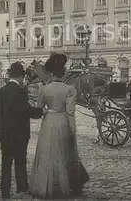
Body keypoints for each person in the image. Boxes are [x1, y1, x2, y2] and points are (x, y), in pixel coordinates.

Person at [29, 53, 89, 199]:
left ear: (51, 72)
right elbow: (70, 113)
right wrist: (72, 129)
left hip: (48, 121)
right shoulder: (69, 89)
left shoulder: (44, 89)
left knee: (48, 152)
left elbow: (39, 108)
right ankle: (72, 184)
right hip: (63, 121)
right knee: (67, 154)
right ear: (64, 72)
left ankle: (47, 185)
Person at [0, 62, 43, 199]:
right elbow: (26, 110)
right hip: (20, 133)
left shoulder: (0, 92)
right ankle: (22, 187)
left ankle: (5, 191)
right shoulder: (21, 92)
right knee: (20, 161)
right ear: (21, 76)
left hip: (5, 134)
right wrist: (40, 112)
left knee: (6, 163)